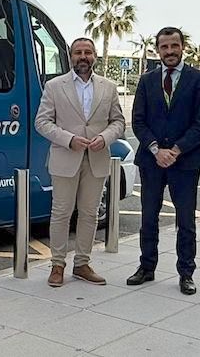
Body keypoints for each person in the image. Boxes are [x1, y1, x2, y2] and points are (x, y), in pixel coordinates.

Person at [127, 27, 200, 295]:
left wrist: (175, 150)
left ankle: (186, 273)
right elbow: (138, 121)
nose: (170, 51)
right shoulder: (146, 80)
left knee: (185, 221)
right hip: (151, 161)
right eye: (164, 47)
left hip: (186, 162)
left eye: (174, 45)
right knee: (148, 217)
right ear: (158, 50)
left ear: (182, 47)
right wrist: (156, 150)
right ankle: (146, 267)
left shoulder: (199, 79)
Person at [35, 38, 125, 287]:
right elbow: (41, 122)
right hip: (65, 158)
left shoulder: (108, 87)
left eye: (87, 52)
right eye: (78, 52)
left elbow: (118, 122)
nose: (83, 56)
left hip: (97, 158)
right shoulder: (54, 86)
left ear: (94, 56)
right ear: (70, 56)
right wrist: (69, 139)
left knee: (89, 213)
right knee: (61, 213)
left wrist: (105, 138)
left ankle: (82, 264)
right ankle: (57, 265)